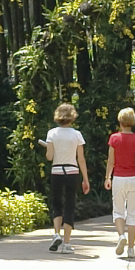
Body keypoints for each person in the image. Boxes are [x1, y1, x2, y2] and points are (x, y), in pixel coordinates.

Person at [105, 107, 135, 260]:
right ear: (133, 122)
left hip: (119, 177)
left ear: (120, 121)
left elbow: (111, 161)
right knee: (134, 213)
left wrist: (108, 177)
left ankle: (121, 236)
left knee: (118, 211)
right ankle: (131, 248)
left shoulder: (114, 138)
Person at [42, 103, 89, 253]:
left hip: (56, 171)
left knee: (56, 204)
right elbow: (81, 159)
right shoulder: (77, 134)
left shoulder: (52, 133)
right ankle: (67, 244)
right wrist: (85, 179)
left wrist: (53, 150)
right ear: (72, 117)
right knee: (69, 206)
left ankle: (56, 234)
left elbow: (49, 157)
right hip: (72, 172)